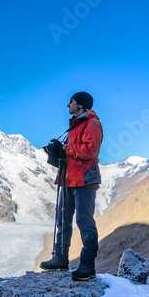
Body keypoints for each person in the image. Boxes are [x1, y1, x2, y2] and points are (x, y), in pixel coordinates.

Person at [40, 91, 103, 281]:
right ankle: (60, 258)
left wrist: (65, 148)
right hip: (68, 179)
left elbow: (90, 150)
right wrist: (57, 151)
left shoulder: (92, 123)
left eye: (71, 102)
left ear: (81, 105)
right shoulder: (75, 127)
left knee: (84, 222)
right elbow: (73, 154)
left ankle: (87, 266)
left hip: (85, 180)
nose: (68, 105)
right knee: (62, 219)